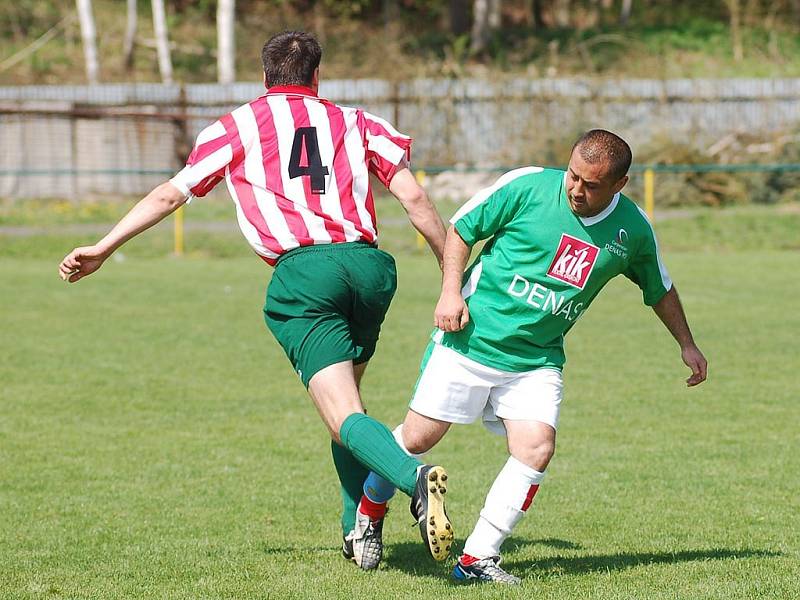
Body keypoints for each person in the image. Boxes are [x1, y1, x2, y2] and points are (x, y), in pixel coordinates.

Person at [58, 30, 454, 571]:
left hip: (304, 275)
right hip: (370, 269)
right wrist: (450, 274)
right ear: (317, 77)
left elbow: (171, 192)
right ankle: (358, 532)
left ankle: (412, 481)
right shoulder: (358, 122)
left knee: (342, 415)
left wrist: (103, 246)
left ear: (264, 77)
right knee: (348, 405)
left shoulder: (238, 126)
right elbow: (414, 198)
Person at [360, 129, 708, 583]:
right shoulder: (527, 186)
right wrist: (450, 293)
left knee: (536, 448)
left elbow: (658, 287)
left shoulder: (633, 230)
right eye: (573, 176)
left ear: (620, 185)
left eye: (592, 184)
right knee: (418, 439)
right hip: (470, 340)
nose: (577, 190)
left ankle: (478, 558)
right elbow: (462, 229)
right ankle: (368, 516)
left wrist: (686, 343)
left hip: (537, 360)